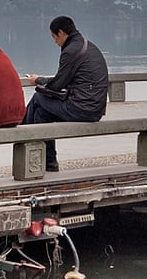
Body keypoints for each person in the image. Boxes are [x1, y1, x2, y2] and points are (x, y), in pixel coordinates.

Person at [23, 15, 109, 172]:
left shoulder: (71, 51)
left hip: (83, 108)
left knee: (39, 97)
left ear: (61, 33)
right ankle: (49, 164)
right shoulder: (88, 46)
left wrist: (37, 80)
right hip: (95, 108)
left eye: (54, 37)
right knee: (42, 114)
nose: (55, 41)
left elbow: (57, 85)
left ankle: (24, 138)